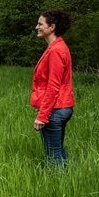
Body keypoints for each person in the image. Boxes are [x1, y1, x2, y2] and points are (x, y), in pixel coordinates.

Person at [30, 9, 74, 165]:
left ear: (52, 27)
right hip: (62, 107)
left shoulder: (56, 50)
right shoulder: (58, 47)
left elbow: (53, 86)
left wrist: (42, 115)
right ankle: (73, 176)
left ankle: (61, 186)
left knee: (53, 156)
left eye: (40, 24)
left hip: (55, 109)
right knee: (58, 151)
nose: (37, 27)